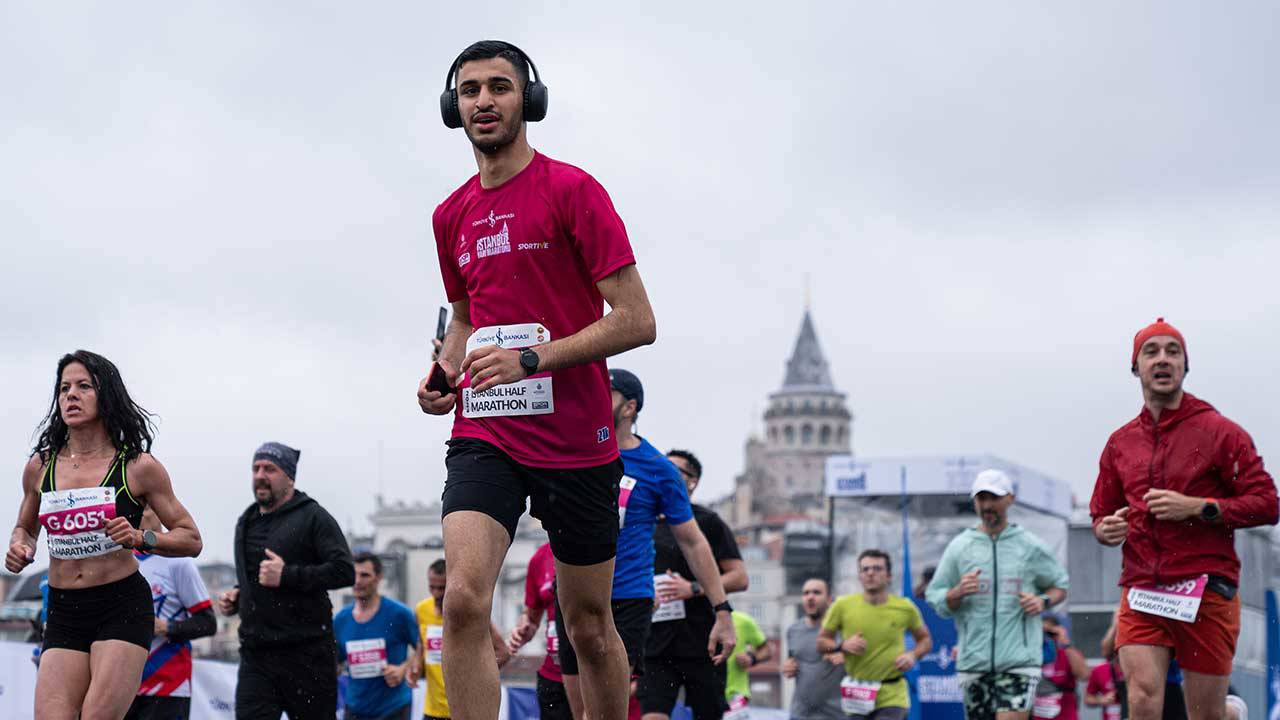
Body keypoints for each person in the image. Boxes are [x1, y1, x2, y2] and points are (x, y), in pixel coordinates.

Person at [416, 38, 657, 720]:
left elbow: (638, 321)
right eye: (470, 91)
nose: (484, 101)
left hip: (578, 440)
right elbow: (464, 319)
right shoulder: (449, 214)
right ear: (452, 107)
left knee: (587, 628)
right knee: (462, 601)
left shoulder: (573, 190)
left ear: (530, 99)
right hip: (487, 430)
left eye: (499, 86)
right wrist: (444, 370)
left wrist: (535, 358)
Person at [1090, 318, 1278, 720]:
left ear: (1184, 366)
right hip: (1143, 588)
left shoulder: (1220, 432)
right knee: (1140, 699)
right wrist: (1106, 530)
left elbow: (1267, 503)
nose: (1162, 359)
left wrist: (1198, 507)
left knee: (1203, 714)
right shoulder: (1120, 443)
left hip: (1206, 586)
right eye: (1151, 351)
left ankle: (1227, 713)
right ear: (1136, 366)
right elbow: (1101, 514)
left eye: (1172, 352)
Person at [6, 350, 203, 720]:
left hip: (120, 605)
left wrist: (142, 538)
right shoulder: (41, 466)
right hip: (64, 609)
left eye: (83, 386)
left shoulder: (137, 467)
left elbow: (191, 538)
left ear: (106, 395)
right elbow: (25, 527)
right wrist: (20, 545)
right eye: (64, 388)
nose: (71, 396)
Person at [554, 370, 736, 719]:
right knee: (580, 714)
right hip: (573, 593)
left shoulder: (658, 468)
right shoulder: (572, 448)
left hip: (627, 600)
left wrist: (723, 611)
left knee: (605, 713)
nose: (592, 397)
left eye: (605, 393)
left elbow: (693, 541)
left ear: (629, 408)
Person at [216, 442, 355, 720]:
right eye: (256, 468)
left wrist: (288, 575)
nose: (260, 475)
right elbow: (255, 579)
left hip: (307, 654)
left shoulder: (313, 516)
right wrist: (238, 595)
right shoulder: (247, 521)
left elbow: (344, 571)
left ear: (289, 477)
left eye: (270, 469)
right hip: (257, 654)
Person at [925, 468, 1070, 720]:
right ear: (974, 502)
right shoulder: (960, 547)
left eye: (994, 498)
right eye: (982, 499)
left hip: (1019, 662)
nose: (988, 505)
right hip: (973, 663)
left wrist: (1042, 600)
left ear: (1010, 499)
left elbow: (1060, 585)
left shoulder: (1030, 545)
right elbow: (935, 596)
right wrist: (956, 593)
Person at [639, 449, 749, 720]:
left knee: (708, 714)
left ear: (692, 481)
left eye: (674, 470)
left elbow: (739, 577)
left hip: (702, 640)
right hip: (654, 643)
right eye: (661, 467)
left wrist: (693, 589)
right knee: (653, 715)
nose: (664, 474)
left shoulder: (708, 522)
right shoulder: (643, 521)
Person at [125, 507, 217, 720]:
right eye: (135, 505)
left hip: (168, 686)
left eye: (146, 507)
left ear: (160, 511)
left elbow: (208, 622)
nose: (139, 513)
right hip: (124, 684)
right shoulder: (119, 561)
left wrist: (166, 627)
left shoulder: (179, 562)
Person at [818, 550, 932, 720]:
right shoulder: (842, 605)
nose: (870, 573)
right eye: (865, 569)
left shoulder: (905, 607)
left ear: (888, 576)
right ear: (860, 576)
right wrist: (841, 646)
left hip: (892, 693)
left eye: (877, 569)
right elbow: (821, 643)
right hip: (857, 692)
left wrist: (912, 655)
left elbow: (925, 640)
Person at [415, 558, 511, 720]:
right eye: (432, 587)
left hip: (462, 709)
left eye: (442, 588)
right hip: (431, 710)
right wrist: (416, 666)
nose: (437, 593)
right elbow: (422, 645)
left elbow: (503, 652)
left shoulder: (466, 613)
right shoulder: (421, 609)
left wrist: (477, 677)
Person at [334, 552, 420, 720]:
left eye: (365, 575)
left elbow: (421, 647)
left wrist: (403, 668)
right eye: (354, 574)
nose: (358, 581)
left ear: (379, 577)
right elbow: (335, 662)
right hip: (355, 709)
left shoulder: (399, 614)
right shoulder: (340, 620)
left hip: (393, 708)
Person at [508, 542, 570, 720]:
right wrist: (524, 629)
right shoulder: (540, 557)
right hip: (553, 677)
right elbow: (532, 615)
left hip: (590, 675)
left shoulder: (601, 546)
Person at [784, 577, 845, 720]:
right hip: (800, 714)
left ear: (830, 599)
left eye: (816, 592)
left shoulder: (842, 629)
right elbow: (791, 661)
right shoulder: (793, 630)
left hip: (836, 715)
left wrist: (844, 658)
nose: (810, 597)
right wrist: (788, 667)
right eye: (806, 593)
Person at [1033, 613, 1088, 720]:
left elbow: (1084, 675)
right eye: (1041, 632)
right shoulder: (1030, 654)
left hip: (1064, 714)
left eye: (1049, 633)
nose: (1045, 636)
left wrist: (1065, 642)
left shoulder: (1066, 653)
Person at [722, 609, 771, 714]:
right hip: (702, 695)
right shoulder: (694, 621)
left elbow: (766, 650)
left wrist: (751, 658)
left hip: (735, 696)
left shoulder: (743, 621)